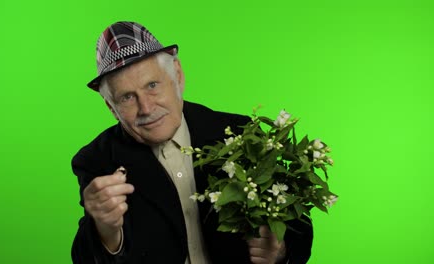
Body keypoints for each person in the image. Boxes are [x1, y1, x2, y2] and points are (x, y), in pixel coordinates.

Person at [71, 21, 313, 264]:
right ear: (111, 107)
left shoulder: (241, 133)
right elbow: (84, 257)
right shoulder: (96, 161)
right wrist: (105, 230)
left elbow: (295, 224)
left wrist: (281, 250)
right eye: (126, 97)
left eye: (152, 85)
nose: (146, 108)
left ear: (177, 75)